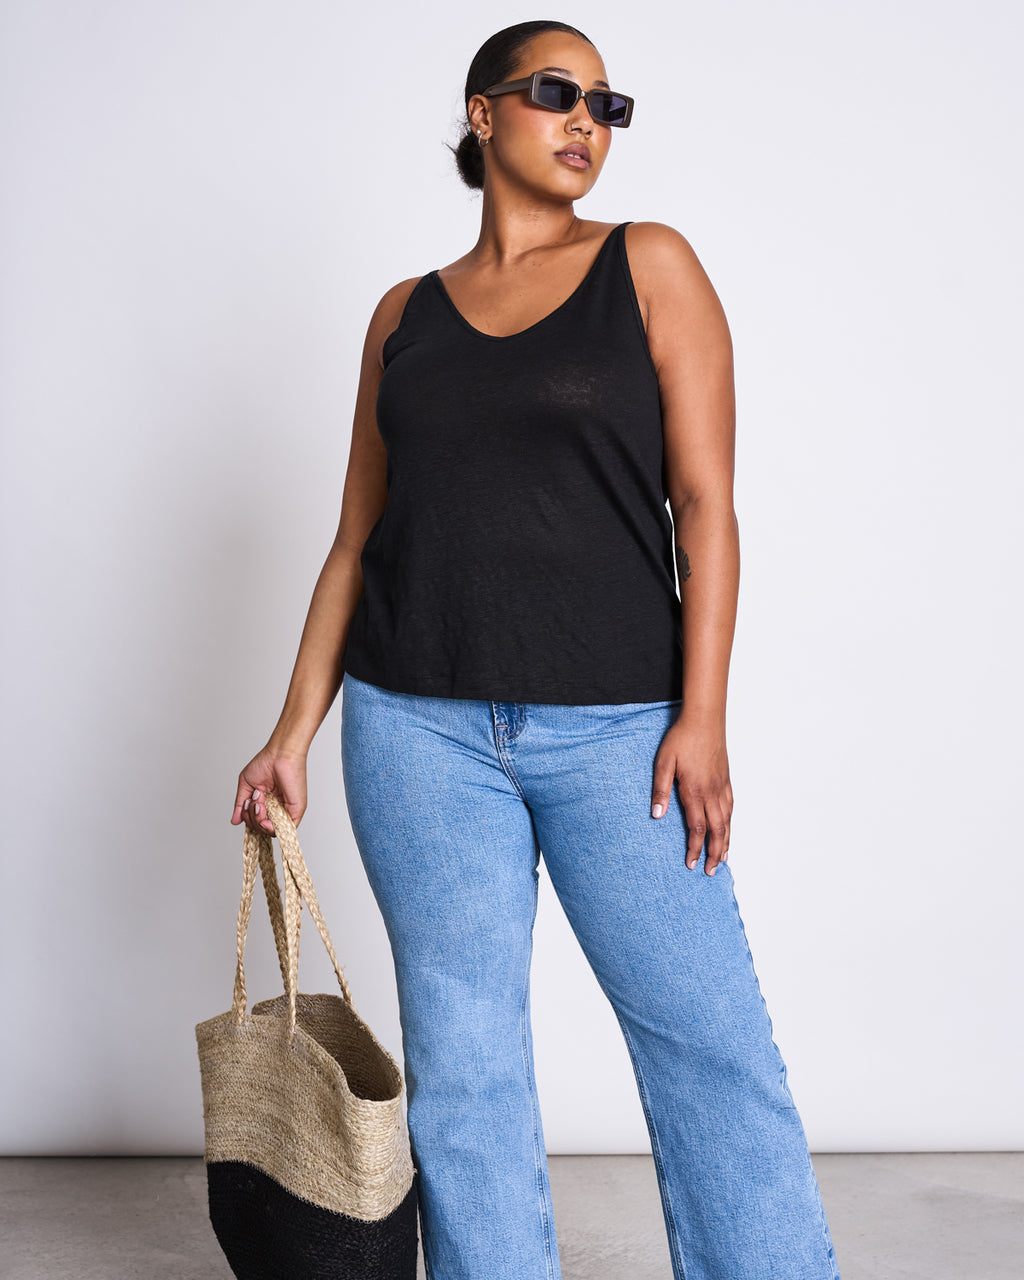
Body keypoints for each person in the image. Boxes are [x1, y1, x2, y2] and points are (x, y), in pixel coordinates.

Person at [231, 19, 843, 1280]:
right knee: (464, 1072)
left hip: (623, 728)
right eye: (556, 93)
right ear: (481, 113)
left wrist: (705, 714)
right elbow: (355, 542)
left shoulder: (651, 265)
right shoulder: (401, 315)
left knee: (710, 1045)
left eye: (607, 106)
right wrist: (293, 731)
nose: (585, 122)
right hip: (415, 732)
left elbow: (707, 507)